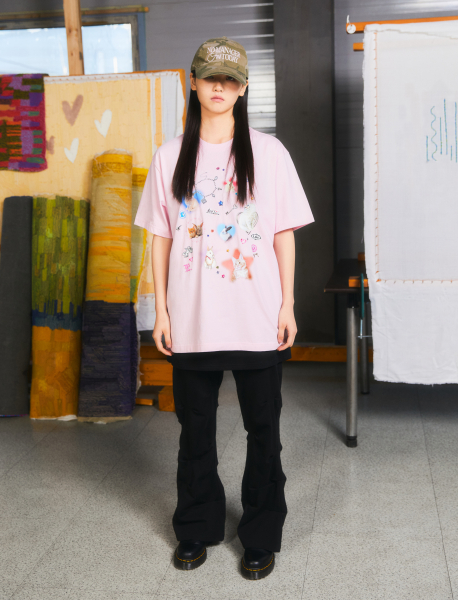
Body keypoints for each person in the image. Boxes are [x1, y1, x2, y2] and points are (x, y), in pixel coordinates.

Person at [134, 36, 314, 580]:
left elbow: (283, 234)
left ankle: (261, 533)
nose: (219, 87)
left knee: (265, 430)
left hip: (257, 317)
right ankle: (196, 525)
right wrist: (162, 311)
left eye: (230, 79)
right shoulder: (170, 156)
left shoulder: (270, 152)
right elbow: (161, 238)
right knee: (195, 431)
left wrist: (287, 304)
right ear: (193, 83)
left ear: (243, 88)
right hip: (193, 319)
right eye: (210, 77)